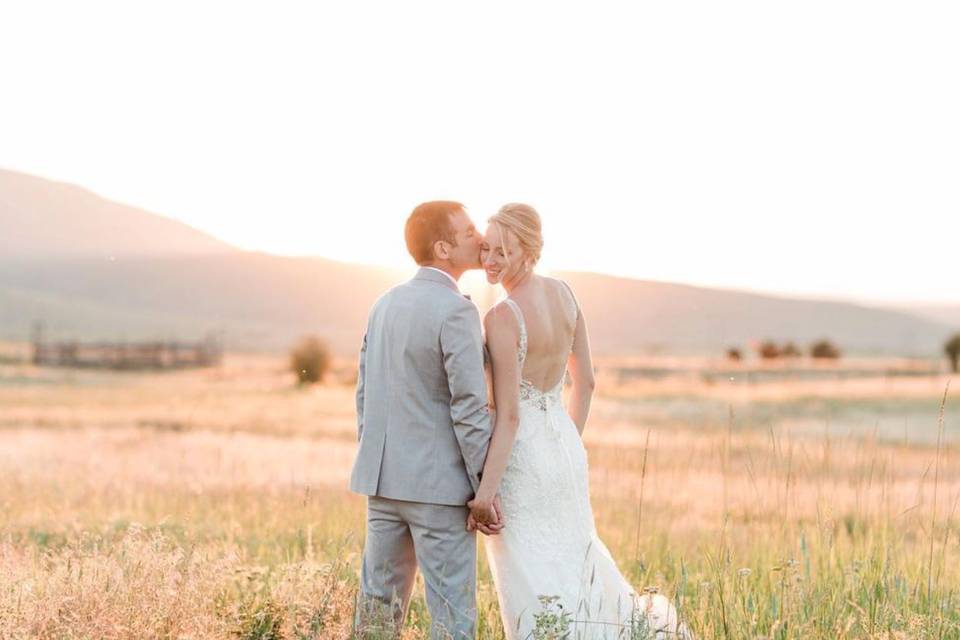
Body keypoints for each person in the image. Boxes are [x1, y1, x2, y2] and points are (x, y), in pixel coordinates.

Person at [468, 203, 692, 639]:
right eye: (486, 250)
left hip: (522, 461)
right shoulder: (566, 295)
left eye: (502, 252)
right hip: (565, 449)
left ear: (527, 251)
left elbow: (509, 416)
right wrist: (564, 440)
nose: (489, 261)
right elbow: (585, 383)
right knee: (574, 558)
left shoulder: (501, 317)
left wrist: (484, 494)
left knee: (532, 572)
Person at [350, 201, 503, 639]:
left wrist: (375, 459)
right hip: (439, 491)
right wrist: (484, 487)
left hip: (383, 483)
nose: (480, 237)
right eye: (469, 230)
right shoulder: (457, 311)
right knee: (453, 618)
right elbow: (470, 407)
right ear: (443, 248)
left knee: (377, 615)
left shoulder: (383, 304)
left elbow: (365, 394)